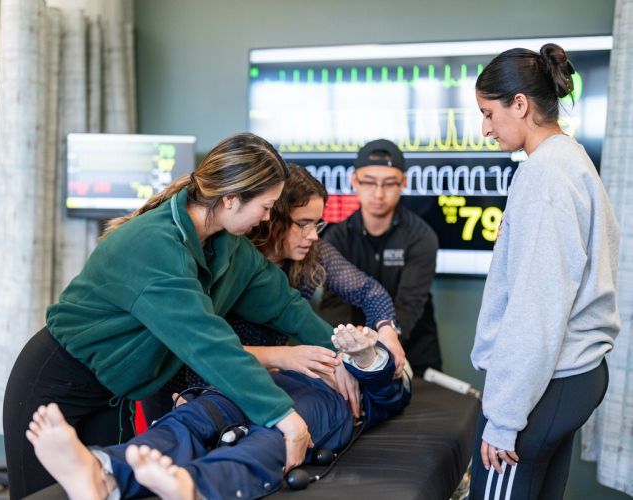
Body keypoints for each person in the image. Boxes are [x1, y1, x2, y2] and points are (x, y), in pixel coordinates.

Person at [2, 133, 358, 498]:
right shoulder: (155, 245)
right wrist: (286, 418)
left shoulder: (228, 246)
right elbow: (207, 344)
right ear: (232, 199)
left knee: (105, 487)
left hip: (112, 390)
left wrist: (343, 355)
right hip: (55, 382)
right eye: (266, 207)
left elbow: (285, 306)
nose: (268, 218)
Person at [141, 165, 407, 423]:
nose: (313, 235)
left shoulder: (312, 254)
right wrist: (281, 358)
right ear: (271, 217)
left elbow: (369, 291)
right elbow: (199, 344)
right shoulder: (231, 259)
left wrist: (387, 332)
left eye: (317, 224)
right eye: (303, 224)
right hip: (191, 380)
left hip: (255, 380)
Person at [469, 44, 620, 499]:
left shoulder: (545, 177)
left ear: (520, 104)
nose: (485, 129)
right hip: (573, 375)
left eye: (489, 113)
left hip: (547, 382)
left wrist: (504, 418)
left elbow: (537, 308)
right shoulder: (570, 160)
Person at [26, 324, 411, 500]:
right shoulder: (306, 343)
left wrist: (367, 355)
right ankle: (104, 473)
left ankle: (193, 487)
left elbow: (389, 393)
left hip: (322, 405)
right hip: (264, 384)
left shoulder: (365, 380)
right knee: (193, 417)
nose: (351, 339)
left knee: (270, 441)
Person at [319, 139, 442, 376]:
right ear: (354, 181)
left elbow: (409, 305)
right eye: (368, 182)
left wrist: (380, 342)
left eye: (388, 184)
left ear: (402, 183)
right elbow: (334, 305)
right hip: (352, 351)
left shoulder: (422, 237)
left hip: (412, 350)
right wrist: (354, 344)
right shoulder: (336, 238)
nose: (378, 193)